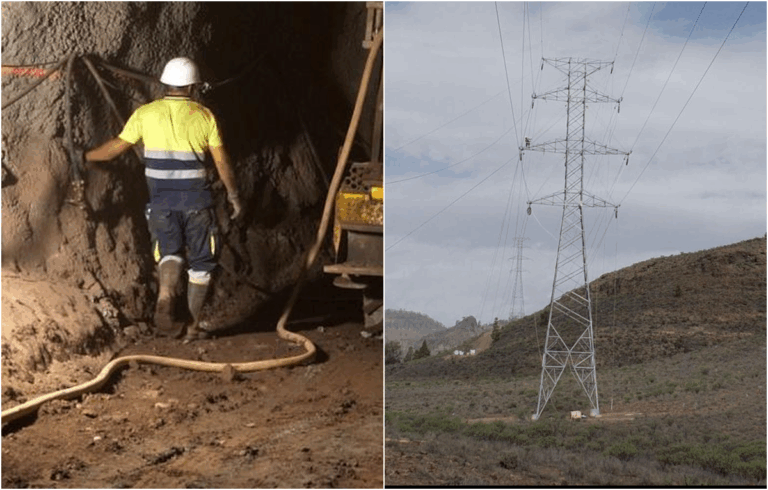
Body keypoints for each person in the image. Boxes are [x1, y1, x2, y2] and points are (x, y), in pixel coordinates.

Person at [85, 57, 243, 341]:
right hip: (196, 202)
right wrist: (234, 196)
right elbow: (222, 162)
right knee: (202, 264)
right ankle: (193, 328)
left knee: (169, 253)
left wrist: (85, 156)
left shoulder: (145, 113)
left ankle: (165, 299)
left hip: (160, 201)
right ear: (193, 87)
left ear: (164, 83)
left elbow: (113, 150)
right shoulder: (204, 116)